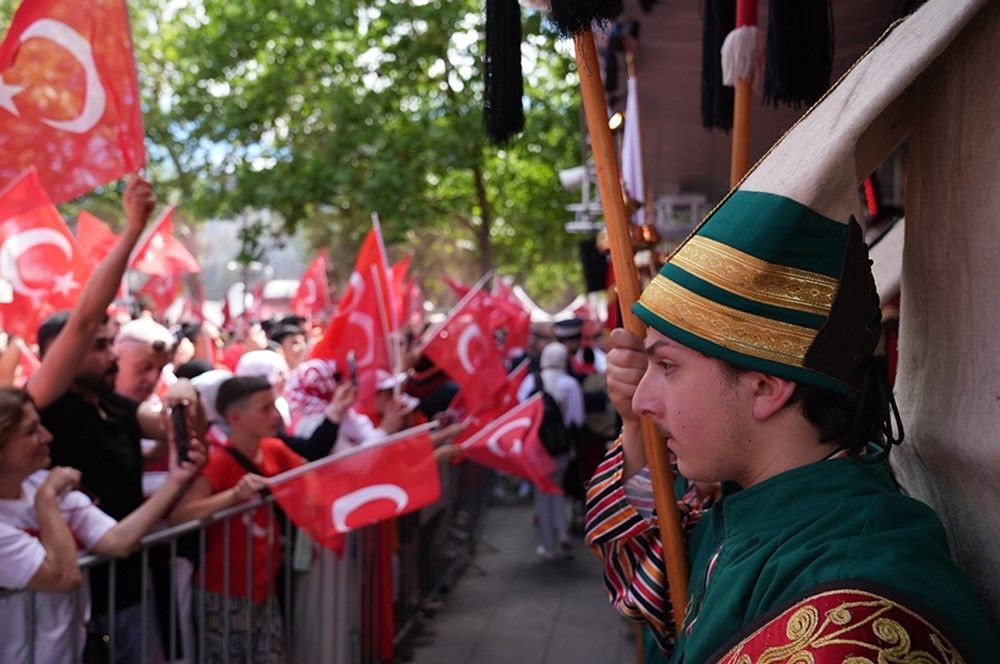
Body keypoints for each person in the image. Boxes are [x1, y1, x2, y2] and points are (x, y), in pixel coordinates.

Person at [584, 2, 999, 661]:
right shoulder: (762, 507)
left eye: (667, 367)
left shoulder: (855, 622)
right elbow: (663, 596)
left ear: (768, 384)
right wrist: (637, 435)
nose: (639, 396)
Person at [0, 387, 206, 664]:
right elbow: (63, 578)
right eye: (31, 431)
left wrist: (176, 481)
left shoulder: (39, 482)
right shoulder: (46, 491)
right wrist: (47, 502)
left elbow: (116, 540)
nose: (47, 437)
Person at [170, 376, 305, 663]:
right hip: (223, 593)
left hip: (265, 590)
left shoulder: (274, 450)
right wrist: (233, 495)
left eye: (274, 406)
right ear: (236, 418)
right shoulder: (219, 462)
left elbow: (313, 476)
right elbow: (181, 515)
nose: (276, 415)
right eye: (265, 408)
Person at [519, 342, 583, 561]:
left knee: (542, 494)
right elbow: (578, 419)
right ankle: (562, 531)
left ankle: (549, 544)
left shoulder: (530, 382)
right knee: (556, 490)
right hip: (562, 449)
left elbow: (520, 417)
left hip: (536, 449)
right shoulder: (570, 384)